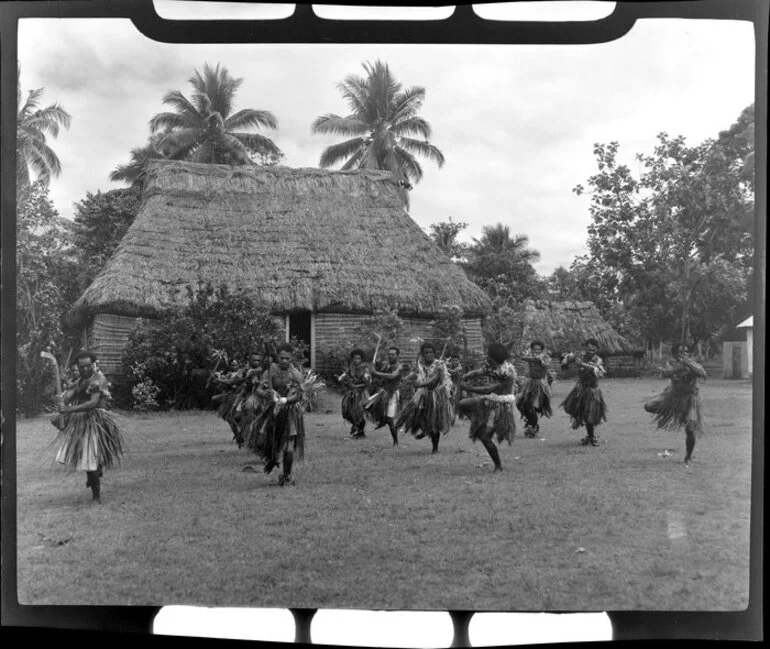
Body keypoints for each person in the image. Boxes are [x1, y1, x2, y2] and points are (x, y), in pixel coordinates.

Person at [50, 350, 126, 503]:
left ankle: (96, 497)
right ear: (77, 367)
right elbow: (68, 397)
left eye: (88, 366)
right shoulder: (79, 380)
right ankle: (96, 471)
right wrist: (60, 400)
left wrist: (69, 409)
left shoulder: (98, 379)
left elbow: (93, 403)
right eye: (81, 367)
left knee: (90, 458)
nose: (85, 369)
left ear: (93, 364)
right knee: (85, 456)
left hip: (96, 421)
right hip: (81, 420)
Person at [251, 342, 306, 486]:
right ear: (277, 357)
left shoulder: (295, 374)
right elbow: (258, 390)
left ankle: (286, 475)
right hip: (272, 413)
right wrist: (267, 394)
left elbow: (298, 396)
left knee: (289, 449)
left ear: (292, 358)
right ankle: (271, 459)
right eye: (281, 358)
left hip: (289, 413)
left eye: (287, 358)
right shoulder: (270, 371)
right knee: (265, 442)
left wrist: (284, 399)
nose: (284, 361)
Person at [644, 342, 707, 467]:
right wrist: (679, 366)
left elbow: (702, 373)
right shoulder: (671, 364)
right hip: (673, 396)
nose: (683, 354)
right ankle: (674, 412)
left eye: (685, 352)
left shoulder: (692, 363)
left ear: (689, 353)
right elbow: (665, 373)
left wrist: (688, 364)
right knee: (649, 406)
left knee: (690, 429)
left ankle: (688, 456)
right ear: (674, 354)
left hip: (690, 399)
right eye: (680, 352)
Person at [458, 343, 517, 472]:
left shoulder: (507, 372)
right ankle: (478, 423)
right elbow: (480, 372)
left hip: (501, 405)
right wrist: (468, 375)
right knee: (463, 404)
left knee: (485, 437)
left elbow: (488, 389)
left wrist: (468, 388)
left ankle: (498, 466)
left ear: (497, 359)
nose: (487, 358)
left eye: (490, 356)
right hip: (491, 399)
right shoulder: (491, 366)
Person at [395, 342, 453, 454]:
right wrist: (406, 379)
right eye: (426, 352)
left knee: (435, 421)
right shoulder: (419, 363)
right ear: (422, 354)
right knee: (420, 418)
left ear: (434, 353)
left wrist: (420, 385)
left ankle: (435, 448)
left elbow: (434, 379)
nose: (429, 354)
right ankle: (426, 430)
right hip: (423, 395)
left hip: (436, 396)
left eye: (431, 352)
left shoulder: (439, 365)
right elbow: (414, 374)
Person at [559, 339, 607, 447]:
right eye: (589, 349)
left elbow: (597, 368)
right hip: (580, 389)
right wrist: (566, 360)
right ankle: (578, 418)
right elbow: (566, 360)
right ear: (585, 348)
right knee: (568, 408)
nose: (591, 352)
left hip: (592, 391)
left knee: (589, 416)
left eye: (593, 350)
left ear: (597, 349)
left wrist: (582, 364)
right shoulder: (580, 355)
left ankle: (591, 437)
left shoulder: (598, 359)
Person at [365, 346, 405, 446]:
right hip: (383, 392)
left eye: (393, 354)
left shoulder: (400, 366)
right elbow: (380, 379)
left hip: (393, 394)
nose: (391, 356)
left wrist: (376, 372)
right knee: (366, 405)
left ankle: (395, 442)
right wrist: (372, 372)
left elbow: (392, 376)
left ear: (397, 356)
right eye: (389, 354)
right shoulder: (385, 365)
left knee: (390, 419)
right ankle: (381, 420)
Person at [516, 340, 553, 438]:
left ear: (542, 350)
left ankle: (533, 426)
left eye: (538, 349)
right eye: (534, 349)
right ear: (531, 349)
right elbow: (529, 359)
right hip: (530, 384)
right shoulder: (530, 356)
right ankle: (531, 422)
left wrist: (520, 357)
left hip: (540, 386)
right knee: (520, 403)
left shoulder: (545, 357)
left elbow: (535, 360)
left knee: (531, 406)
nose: (536, 351)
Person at [340, 348, 372, 439]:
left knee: (358, 412)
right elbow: (346, 373)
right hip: (352, 391)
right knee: (345, 409)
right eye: (355, 358)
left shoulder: (365, 367)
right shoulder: (351, 366)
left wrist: (366, 377)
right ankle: (356, 427)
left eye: (358, 358)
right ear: (352, 358)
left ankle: (360, 431)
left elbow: (368, 381)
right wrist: (342, 377)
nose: (356, 360)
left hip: (361, 392)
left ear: (361, 359)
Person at [445, 348, 464, 425]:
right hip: (449, 386)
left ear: (458, 361)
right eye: (453, 360)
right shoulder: (449, 365)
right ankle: (449, 417)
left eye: (456, 360)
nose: (454, 362)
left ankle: (454, 417)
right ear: (451, 360)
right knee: (448, 401)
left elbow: (452, 372)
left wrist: (445, 367)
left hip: (457, 387)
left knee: (456, 402)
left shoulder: (460, 367)